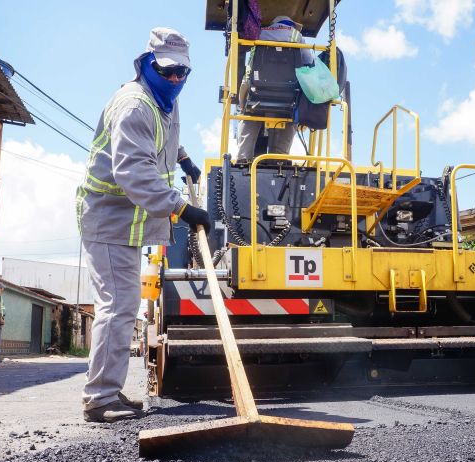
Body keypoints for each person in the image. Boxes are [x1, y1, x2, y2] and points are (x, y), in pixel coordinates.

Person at [75, 27, 211, 423]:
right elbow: (134, 171)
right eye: (167, 71)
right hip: (108, 216)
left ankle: (109, 391)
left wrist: (182, 157)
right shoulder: (134, 105)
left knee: (122, 306)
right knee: (117, 307)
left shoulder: (164, 100)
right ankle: (100, 399)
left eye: (181, 73)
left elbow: (163, 138)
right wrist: (181, 209)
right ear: (147, 62)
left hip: (129, 222)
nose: (174, 79)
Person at [235, 16, 315, 161]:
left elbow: (249, 72)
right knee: (291, 116)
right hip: (288, 97)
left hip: (258, 94)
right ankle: (279, 158)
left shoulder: (260, 33)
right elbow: (309, 64)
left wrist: (242, 100)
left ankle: (243, 158)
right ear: (291, 25)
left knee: (248, 115)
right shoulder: (297, 36)